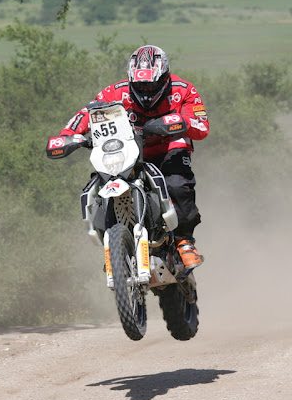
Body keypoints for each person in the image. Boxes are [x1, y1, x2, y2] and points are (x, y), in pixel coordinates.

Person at [58, 45, 209, 269]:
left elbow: (202, 126)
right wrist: (66, 136)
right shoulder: (115, 92)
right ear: (131, 79)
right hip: (129, 150)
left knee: (177, 185)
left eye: (151, 84)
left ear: (164, 77)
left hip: (169, 147)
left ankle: (184, 241)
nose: (146, 90)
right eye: (140, 84)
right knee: (99, 184)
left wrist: (183, 121)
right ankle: (115, 246)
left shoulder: (183, 90)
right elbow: (88, 113)